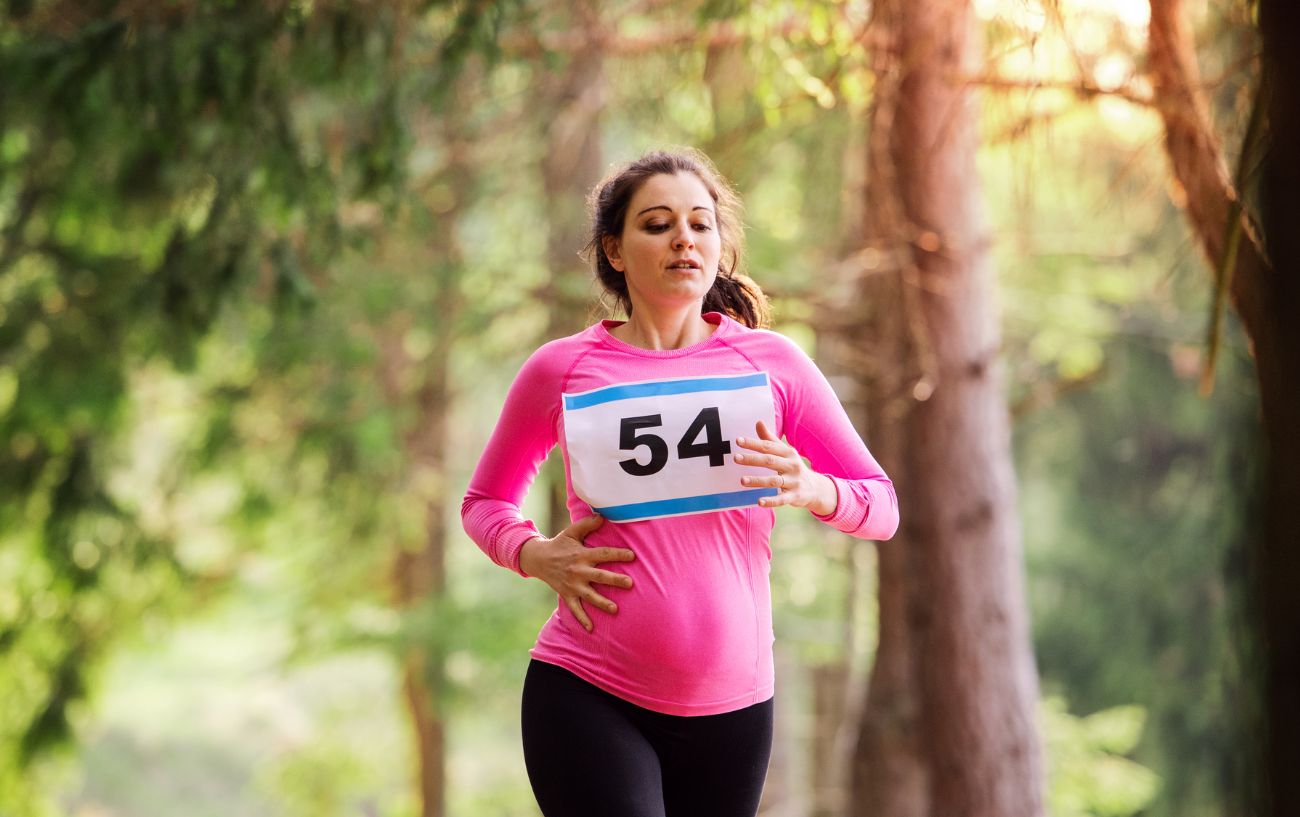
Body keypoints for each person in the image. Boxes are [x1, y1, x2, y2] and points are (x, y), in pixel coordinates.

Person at [461, 149, 898, 817]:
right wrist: (533, 552)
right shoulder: (563, 369)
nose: (683, 239)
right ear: (614, 248)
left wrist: (815, 488)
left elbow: (882, 505)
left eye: (700, 223)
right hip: (588, 689)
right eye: (657, 224)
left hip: (735, 708)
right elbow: (485, 501)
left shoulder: (771, 364)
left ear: (720, 247)